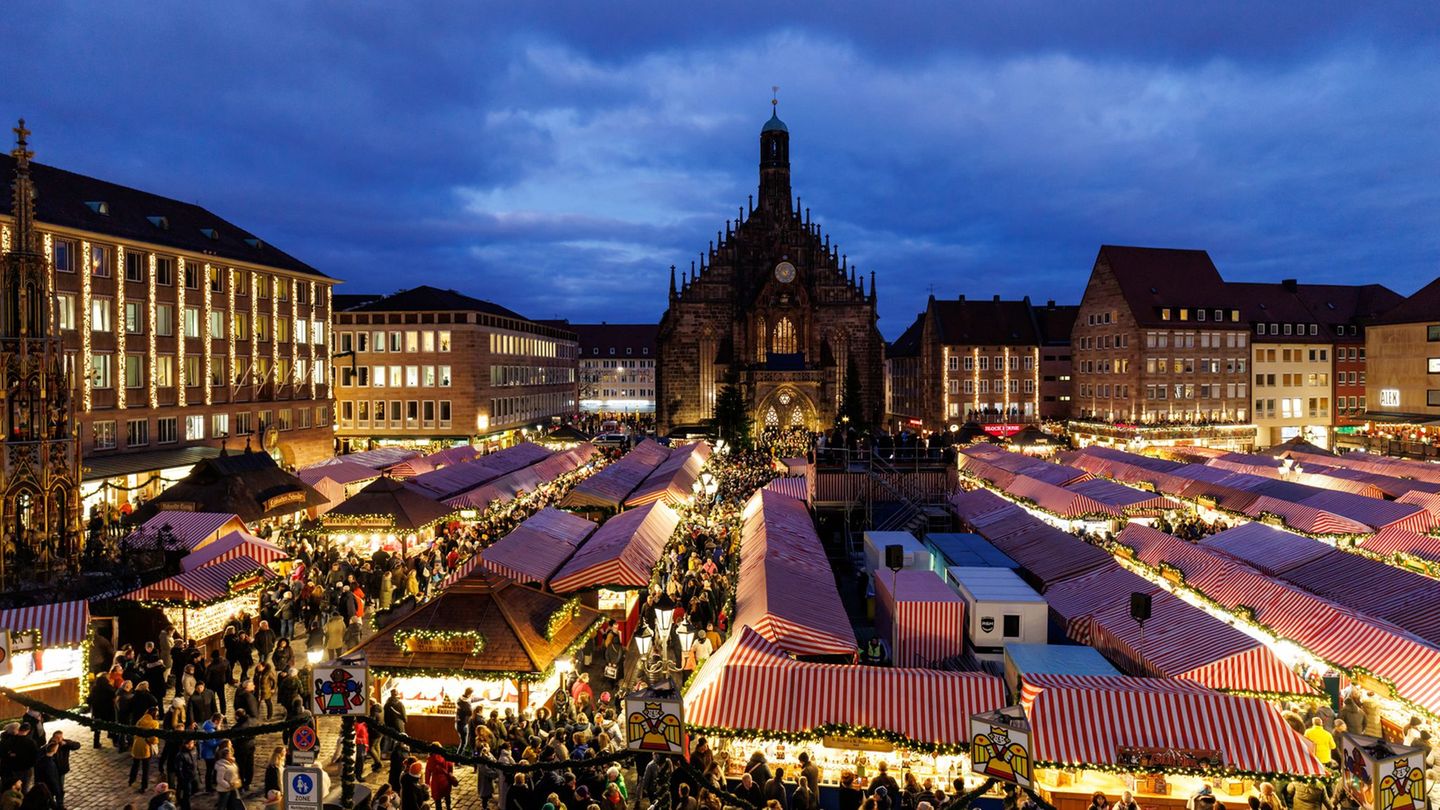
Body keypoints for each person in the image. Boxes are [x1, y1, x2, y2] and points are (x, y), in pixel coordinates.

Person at [129, 706, 161, 793]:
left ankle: (131, 780)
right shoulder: (154, 723)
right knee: (145, 767)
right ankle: (144, 786)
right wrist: (155, 742)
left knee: (135, 764)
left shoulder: (140, 720)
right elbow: (153, 737)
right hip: (145, 747)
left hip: (137, 744)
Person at [214, 742, 244, 810]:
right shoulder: (222, 766)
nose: (232, 755)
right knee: (222, 805)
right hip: (225, 789)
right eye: (230, 754)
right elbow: (219, 779)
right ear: (226, 756)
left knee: (234, 803)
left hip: (233, 787)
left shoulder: (231, 762)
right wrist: (228, 785)